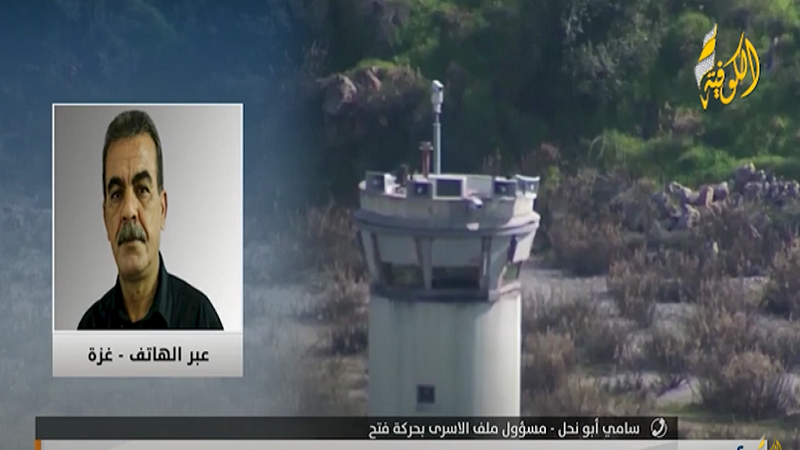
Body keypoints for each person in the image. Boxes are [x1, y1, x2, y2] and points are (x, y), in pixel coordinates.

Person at [77, 110, 224, 330]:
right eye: (116, 194)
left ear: (162, 210)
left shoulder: (201, 322)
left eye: (142, 190)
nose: (128, 210)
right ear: (105, 219)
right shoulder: (89, 330)